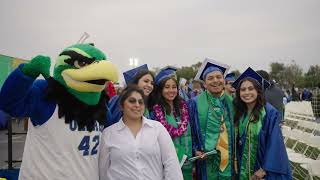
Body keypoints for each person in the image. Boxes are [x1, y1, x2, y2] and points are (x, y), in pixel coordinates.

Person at [0, 43, 119, 180]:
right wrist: (26, 74)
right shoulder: (47, 94)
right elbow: (9, 104)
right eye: (81, 63)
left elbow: (113, 139)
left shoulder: (101, 107)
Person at [99, 85, 183, 180]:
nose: (137, 105)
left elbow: (171, 163)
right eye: (132, 101)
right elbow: (103, 171)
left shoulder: (157, 128)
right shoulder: (109, 134)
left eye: (141, 102)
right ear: (121, 106)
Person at [232, 67, 292, 180]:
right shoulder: (239, 112)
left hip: (262, 167)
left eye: (251, 89)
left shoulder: (269, 113)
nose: (246, 92)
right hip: (242, 164)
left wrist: (263, 169)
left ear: (258, 91)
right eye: (243, 89)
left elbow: (275, 143)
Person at [188, 58, 234, 179]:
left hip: (229, 158)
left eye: (219, 77)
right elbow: (191, 131)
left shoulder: (233, 103)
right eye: (210, 78)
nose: (215, 81)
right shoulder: (194, 103)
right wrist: (195, 150)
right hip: (206, 159)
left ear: (223, 80)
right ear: (204, 84)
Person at [151, 68, 193, 180]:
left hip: (188, 162)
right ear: (160, 90)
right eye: (167, 87)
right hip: (169, 163)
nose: (171, 90)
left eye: (174, 87)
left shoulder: (184, 107)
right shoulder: (155, 112)